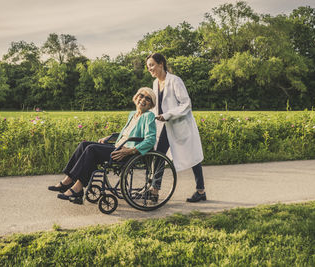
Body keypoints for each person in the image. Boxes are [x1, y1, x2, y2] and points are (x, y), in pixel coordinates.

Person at [48, 87, 157, 201]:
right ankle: (68, 180)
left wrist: (129, 151)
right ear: (136, 97)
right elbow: (128, 133)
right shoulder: (133, 114)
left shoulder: (148, 116)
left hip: (127, 152)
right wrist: (110, 137)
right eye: (141, 96)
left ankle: (78, 188)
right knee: (83, 145)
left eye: (148, 99)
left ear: (151, 105)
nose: (143, 99)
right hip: (118, 146)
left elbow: (150, 140)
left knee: (91, 149)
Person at [146, 53, 207, 203]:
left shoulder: (175, 81)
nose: (150, 69)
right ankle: (154, 189)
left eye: (152, 65)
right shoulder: (155, 83)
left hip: (180, 123)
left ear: (161, 64)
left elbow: (186, 104)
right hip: (165, 125)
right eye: (148, 67)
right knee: (159, 154)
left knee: (193, 157)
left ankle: (201, 191)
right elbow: (156, 106)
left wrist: (167, 115)